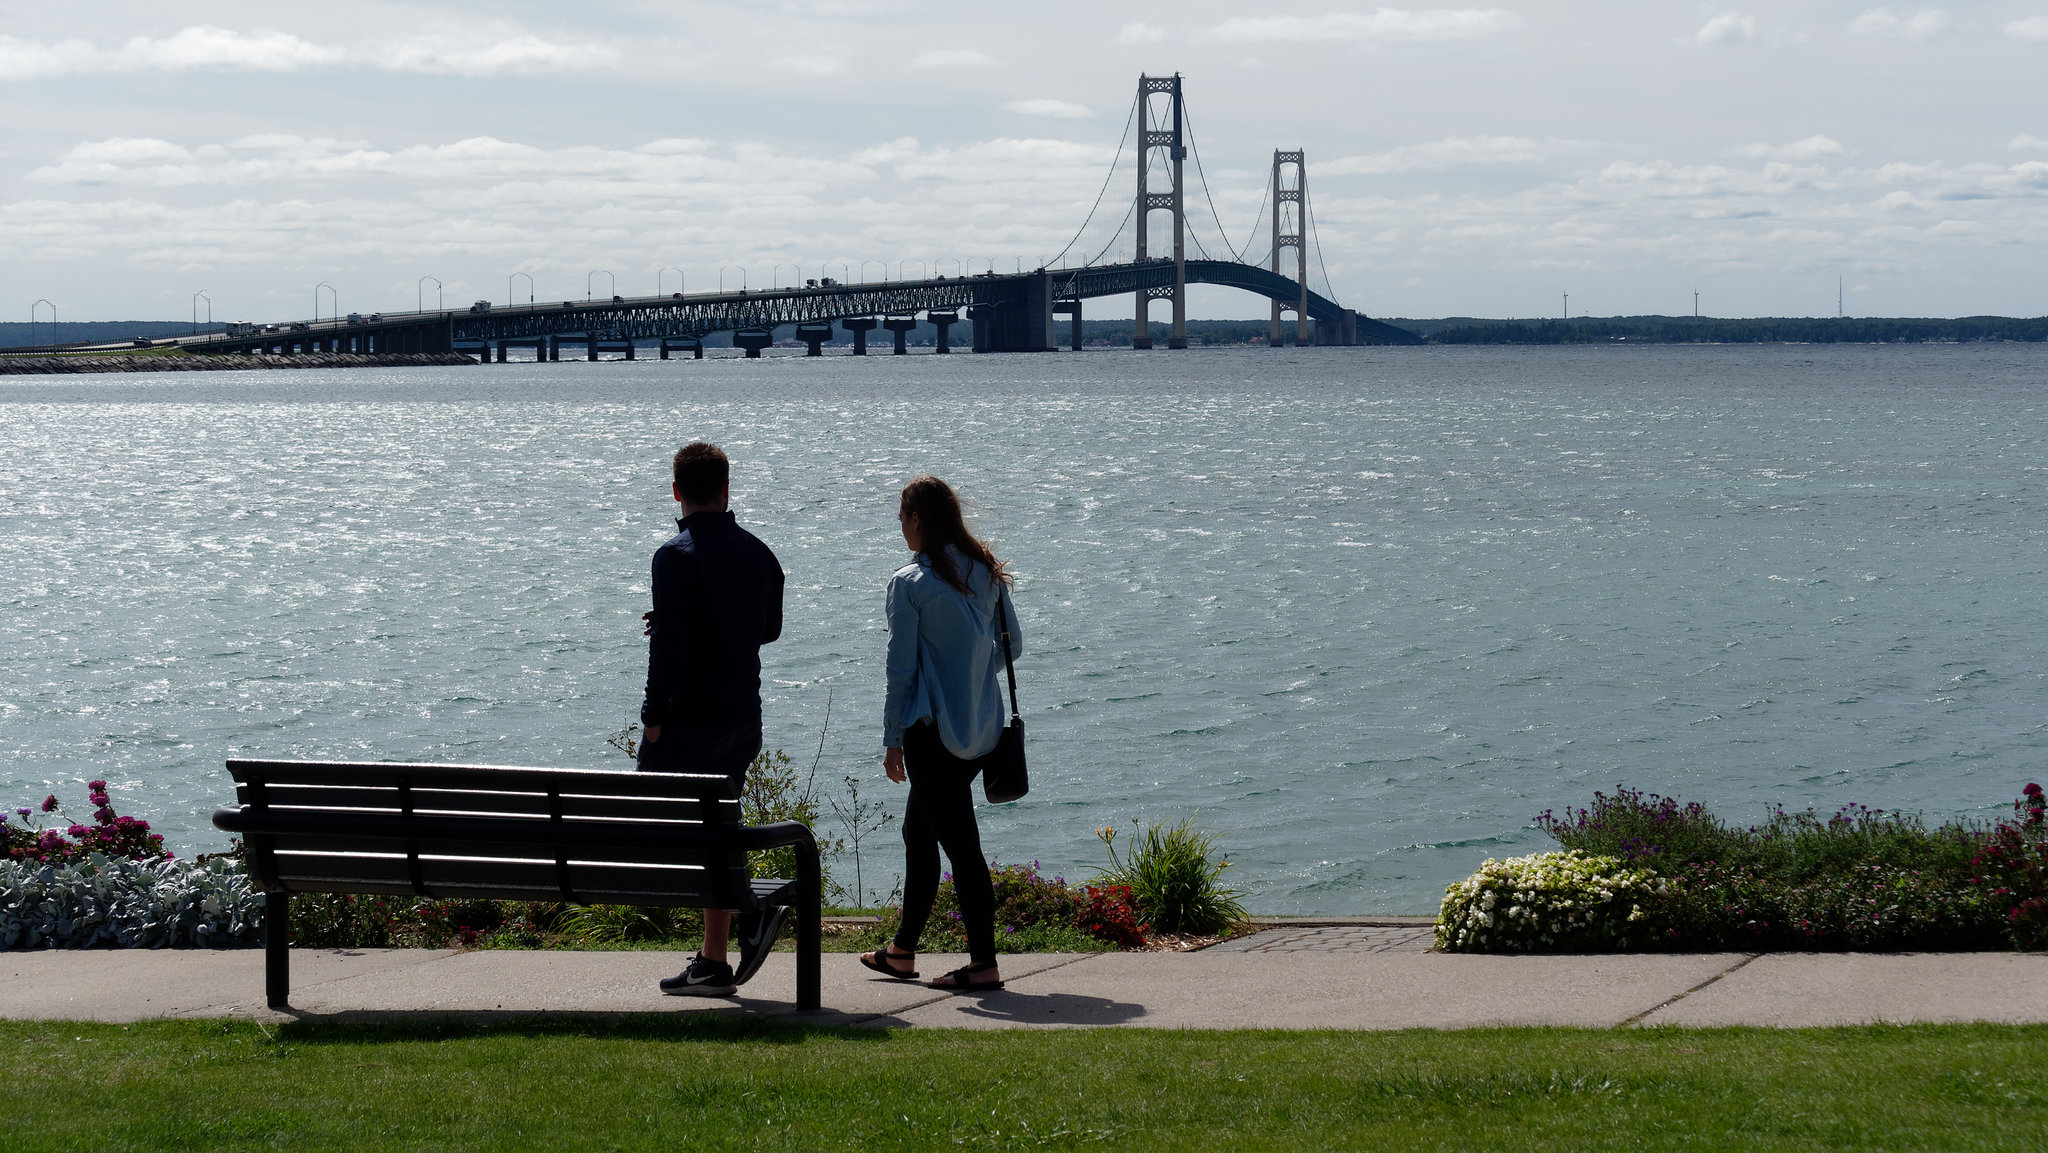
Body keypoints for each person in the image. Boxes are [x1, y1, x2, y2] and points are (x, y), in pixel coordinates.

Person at [860, 475, 1022, 991]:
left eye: (902, 519)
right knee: (919, 831)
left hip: (929, 735)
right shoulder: (985, 570)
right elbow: (1011, 645)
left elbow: (900, 670)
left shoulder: (909, 582)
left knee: (962, 849)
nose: (900, 528)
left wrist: (891, 739)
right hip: (980, 731)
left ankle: (983, 964)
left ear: (916, 520)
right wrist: (971, 673)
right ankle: (902, 952)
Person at [640, 442, 787, 997]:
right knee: (716, 829)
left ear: (676, 491)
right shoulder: (760, 554)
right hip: (740, 718)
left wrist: (653, 720)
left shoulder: (673, 557)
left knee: (661, 822)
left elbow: (669, 652)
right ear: (727, 489)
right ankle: (715, 958)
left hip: (686, 722)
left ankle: (746, 909)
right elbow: (766, 630)